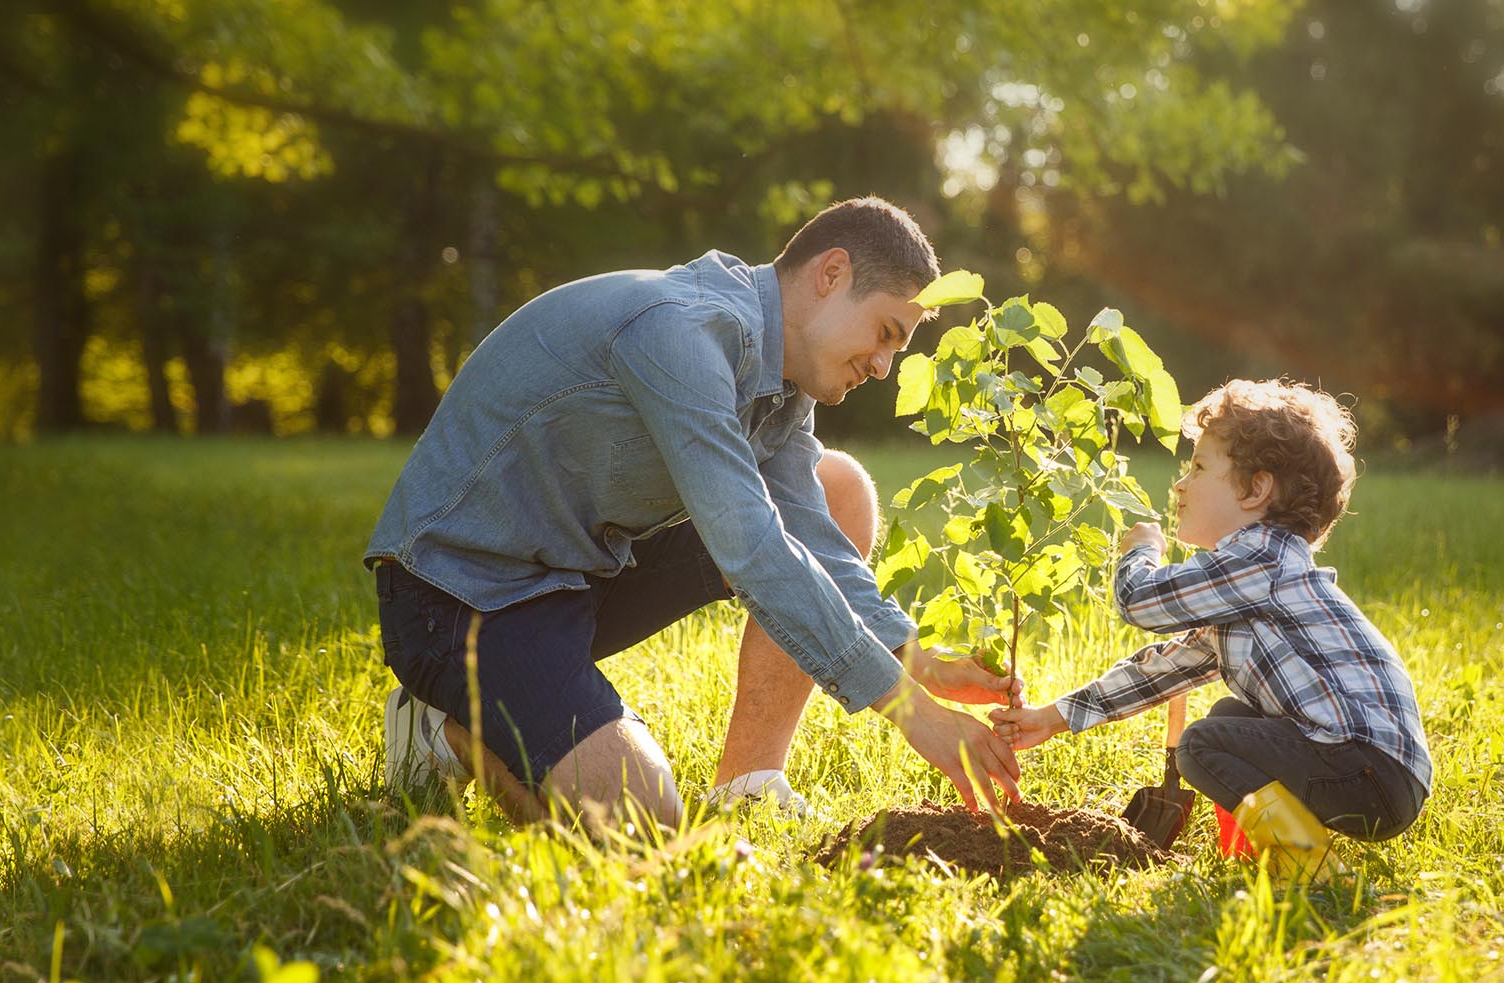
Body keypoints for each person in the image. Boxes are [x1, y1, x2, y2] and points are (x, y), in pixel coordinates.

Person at [364, 196, 1021, 833]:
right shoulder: (682, 330)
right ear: (831, 274)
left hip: (576, 573)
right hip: (460, 596)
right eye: (885, 334)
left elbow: (812, 535)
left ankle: (749, 785)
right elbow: (753, 546)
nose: (882, 366)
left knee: (837, 488)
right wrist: (912, 712)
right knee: (642, 822)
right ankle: (441, 732)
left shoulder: (784, 383)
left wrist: (914, 657)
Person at [990, 379, 1431, 879]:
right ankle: (1267, 855)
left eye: (1198, 467)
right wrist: (1054, 717)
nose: (1180, 484)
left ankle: (1311, 870)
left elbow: (1140, 602)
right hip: (1378, 773)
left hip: (1365, 768)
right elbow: (1164, 670)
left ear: (1256, 489)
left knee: (1203, 744)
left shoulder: (1261, 558)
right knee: (1228, 715)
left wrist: (1141, 552)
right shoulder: (1251, 584)